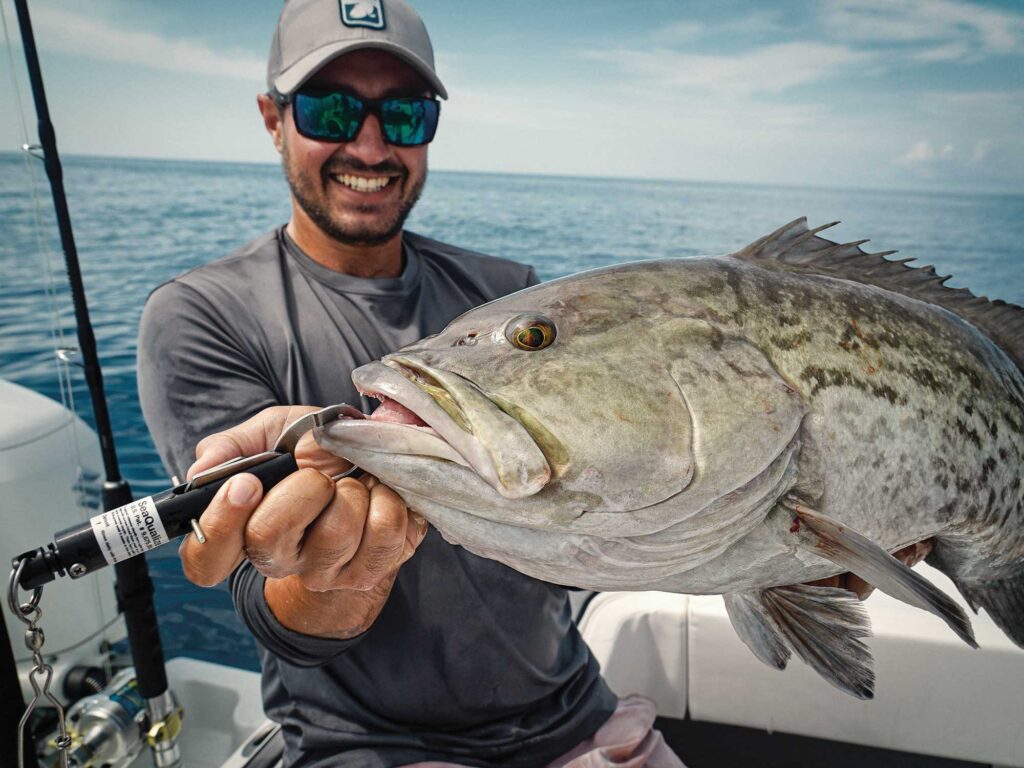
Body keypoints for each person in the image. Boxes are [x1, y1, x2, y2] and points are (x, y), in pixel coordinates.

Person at [137, 1, 687, 765]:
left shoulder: (510, 294)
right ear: (272, 118)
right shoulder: (202, 314)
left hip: (585, 718)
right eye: (331, 109)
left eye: (404, 115)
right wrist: (345, 575)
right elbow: (267, 602)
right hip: (371, 748)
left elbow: (609, 508)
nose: (369, 143)